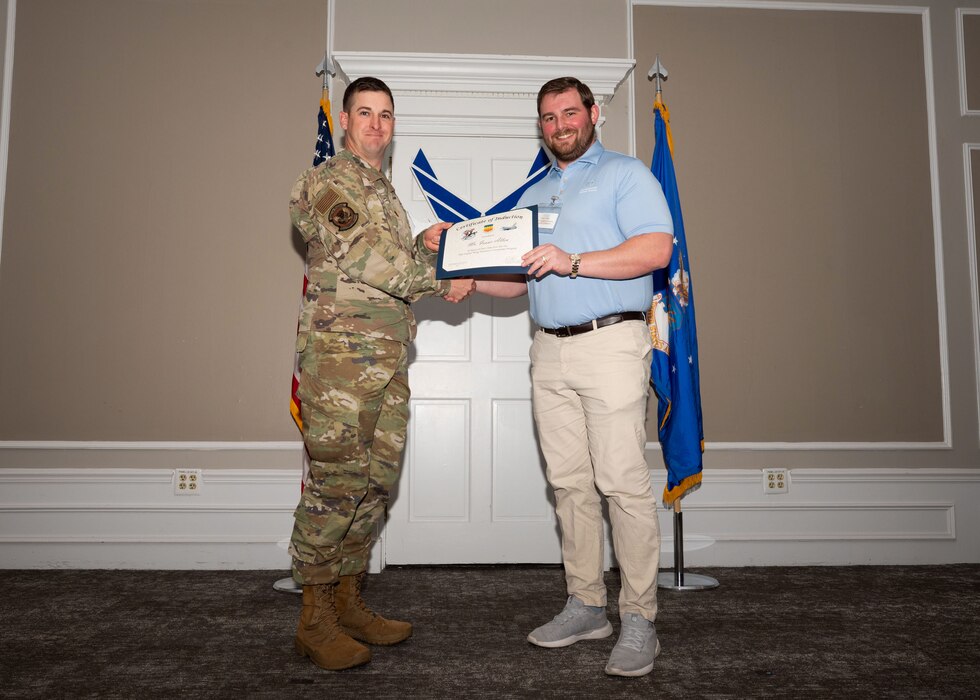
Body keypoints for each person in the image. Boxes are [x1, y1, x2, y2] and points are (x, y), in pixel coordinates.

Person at [425, 76, 673, 677]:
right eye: (548, 117)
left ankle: (639, 617)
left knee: (622, 483)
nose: (560, 125)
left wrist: (574, 260)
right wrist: (466, 274)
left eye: (569, 113)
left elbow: (656, 250)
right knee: (568, 484)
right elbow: (520, 279)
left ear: (593, 113)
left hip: (611, 343)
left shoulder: (626, 174)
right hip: (549, 351)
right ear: (540, 126)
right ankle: (586, 606)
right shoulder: (535, 192)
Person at [288, 75, 474, 672]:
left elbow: (386, 261)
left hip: (386, 358)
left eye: (386, 114)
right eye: (364, 112)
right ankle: (313, 620)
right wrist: (441, 278)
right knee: (336, 484)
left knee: (374, 482)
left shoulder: (384, 192)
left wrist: (423, 244)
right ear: (344, 121)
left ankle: (348, 602)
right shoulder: (327, 181)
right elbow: (364, 258)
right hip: (340, 360)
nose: (376, 124)